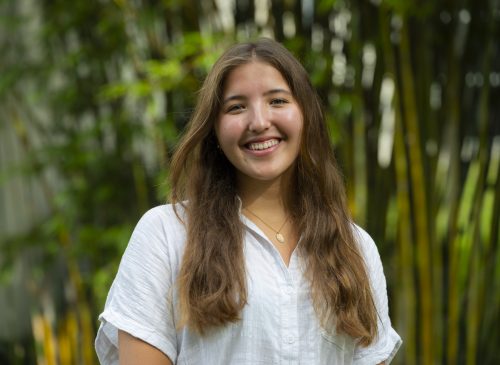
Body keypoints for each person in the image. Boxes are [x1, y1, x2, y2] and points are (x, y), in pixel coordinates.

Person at [95, 38, 402, 365]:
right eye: (237, 107)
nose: (258, 122)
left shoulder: (355, 248)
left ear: (306, 114)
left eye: (278, 101)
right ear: (214, 127)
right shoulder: (166, 234)